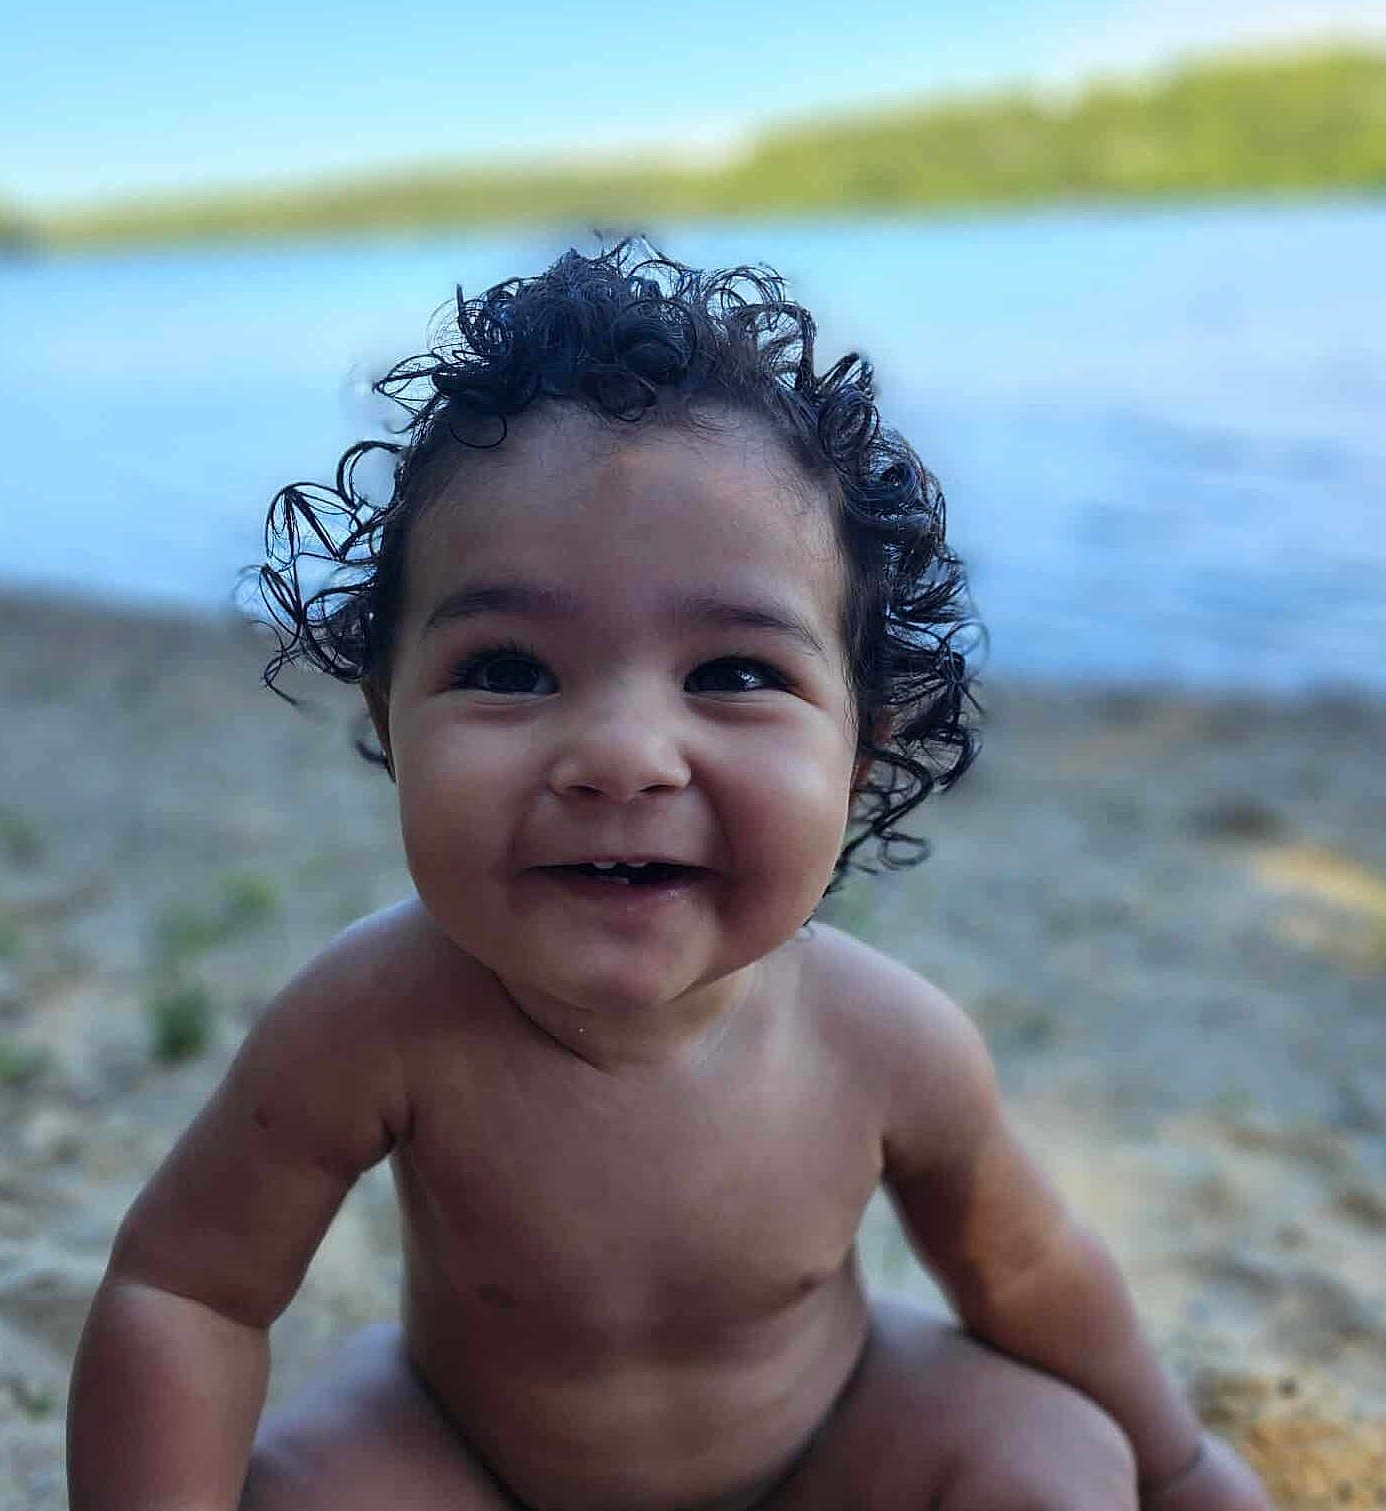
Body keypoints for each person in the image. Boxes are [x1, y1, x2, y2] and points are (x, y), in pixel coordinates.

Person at [66, 241, 1272, 1511]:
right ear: (391, 712)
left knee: (1050, 1456)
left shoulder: (887, 1040)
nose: (623, 756)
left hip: (830, 1448)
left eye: (735, 674)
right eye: (510, 669)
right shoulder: (370, 1022)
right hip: (477, 1460)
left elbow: (1027, 1269)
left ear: (863, 750)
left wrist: (1178, 1462)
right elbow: (187, 1290)